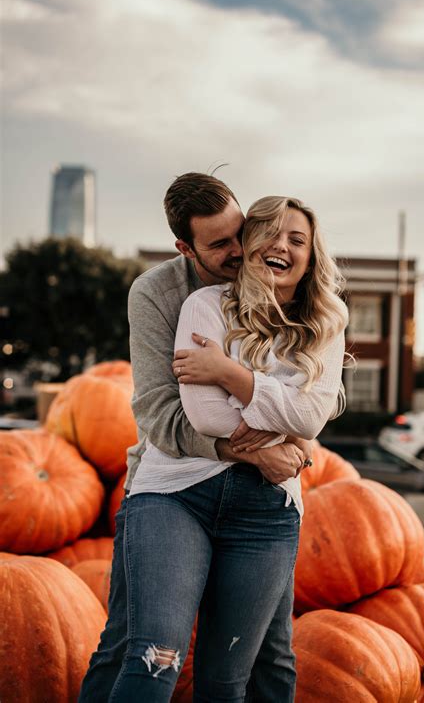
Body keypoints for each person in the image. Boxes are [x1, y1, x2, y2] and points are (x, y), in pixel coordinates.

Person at [79, 174, 320, 703]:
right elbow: (159, 410)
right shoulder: (159, 294)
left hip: (265, 503)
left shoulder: (298, 294)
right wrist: (256, 449)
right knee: (134, 648)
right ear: (185, 248)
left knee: (269, 655)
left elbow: (315, 397)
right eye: (219, 245)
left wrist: (301, 438)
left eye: (241, 234)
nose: (240, 252)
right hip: (175, 481)